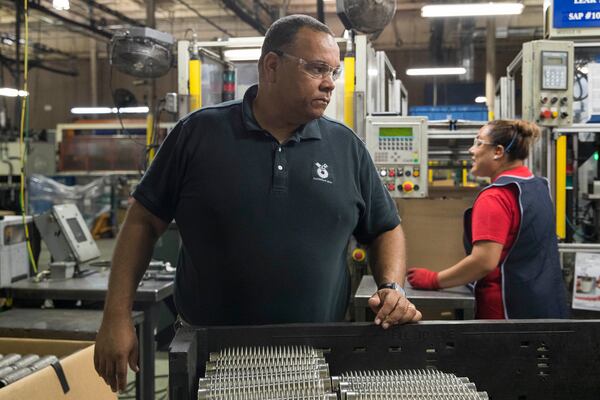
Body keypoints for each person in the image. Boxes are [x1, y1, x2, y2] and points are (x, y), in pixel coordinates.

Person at [94, 14, 421, 393]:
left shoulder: (345, 148)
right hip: (209, 351)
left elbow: (385, 227)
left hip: (316, 352)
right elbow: (142, 221)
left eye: (334, 71)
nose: (330, 83)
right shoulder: (198, 134)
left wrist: (392, 285)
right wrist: (116, 317)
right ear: (271, 66)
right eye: (317, 69)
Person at [407, 120, 569, 320]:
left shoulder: (496, 196)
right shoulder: (539, 187)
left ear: (498, 151)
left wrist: (433, 280)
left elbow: (483, 261)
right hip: (544, 306)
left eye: (478, 143)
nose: (471, 150)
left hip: (506, 314)